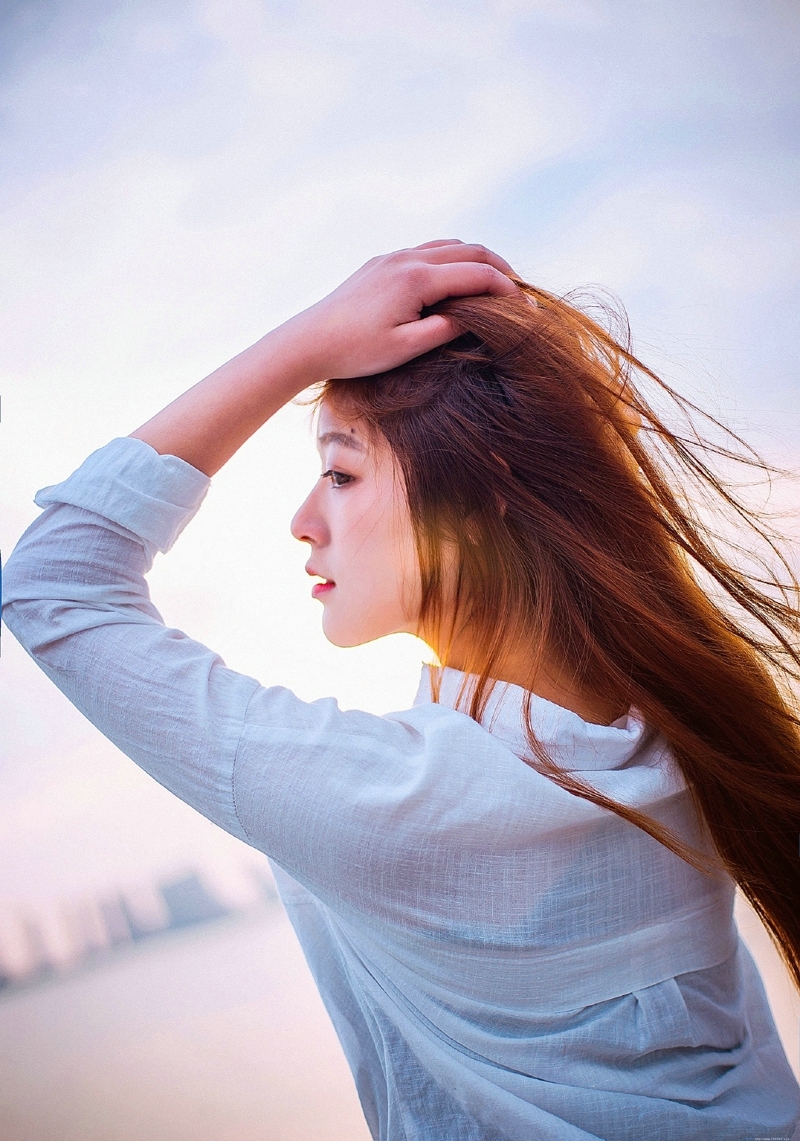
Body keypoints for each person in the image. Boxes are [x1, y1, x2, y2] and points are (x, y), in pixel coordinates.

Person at [4, 240, 800, 1141]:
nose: (303, 520)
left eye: (341, 473)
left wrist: (304, 344)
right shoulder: (682, 731)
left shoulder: (404, 799)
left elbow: (55, 582)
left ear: (482, 495)